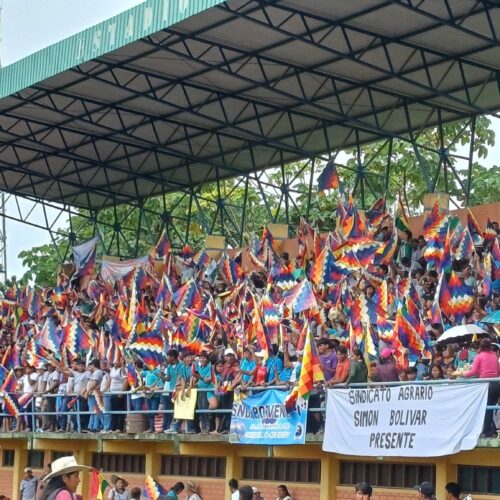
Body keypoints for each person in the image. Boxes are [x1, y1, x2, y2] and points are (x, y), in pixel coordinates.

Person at [463, 338, 500, 437]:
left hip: (486, 385)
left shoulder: (479, 357)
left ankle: (487, 432)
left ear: (480, 347)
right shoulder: (494, 355)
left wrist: (463, 374)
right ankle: (491, 431)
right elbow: (497, 371)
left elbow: (473, 371)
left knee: (485, 409)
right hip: (496, 385)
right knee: (489, 409)